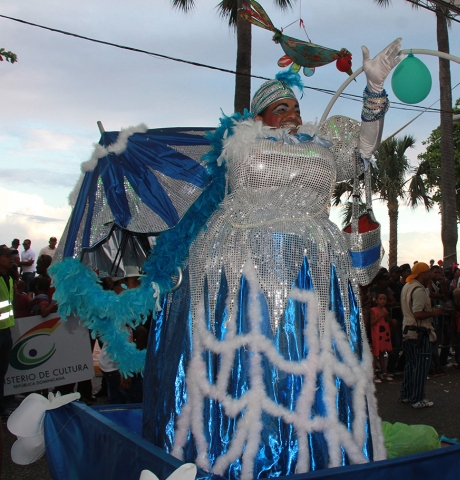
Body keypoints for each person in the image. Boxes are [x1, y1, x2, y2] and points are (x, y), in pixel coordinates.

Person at [136, 40, 403, 476]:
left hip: (314, 266)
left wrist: (374, 90)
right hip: (240, 266)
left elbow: (364, 150)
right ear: (258, 118)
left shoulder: (322, 144)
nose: (292, 113)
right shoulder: (235, 146)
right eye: (281, 108)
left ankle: (315, 455)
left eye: (295, 106)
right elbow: (191, 192)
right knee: (245, 363)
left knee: (313, 362)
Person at [399, 262, 442, 408]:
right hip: (419, 332)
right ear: (422, 274)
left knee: (410, 365)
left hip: (408, 330)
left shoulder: (407, 286)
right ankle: (417, 398)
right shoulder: (419, 290)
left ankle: (406, 394)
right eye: (428, 271)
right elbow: (417, 313)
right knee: (420, 366)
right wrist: (434, 313)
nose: (430, 274)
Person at [0, 245, 15, 417]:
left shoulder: (9, 279)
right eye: (7, 256)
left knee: (2, 371)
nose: (11, 259)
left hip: (6, 330)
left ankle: (1, 406)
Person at [370, 293, 392, 383]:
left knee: (382, 353)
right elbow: (372, 322)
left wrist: (386, 317)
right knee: (375, 354)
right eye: (381, 299)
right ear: (376, 301)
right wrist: (381, 315)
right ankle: (373, 373)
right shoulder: (373, 310)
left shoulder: (384, 309)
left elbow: (387, 321)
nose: (383, 301)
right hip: (377, 333)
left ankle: (384, 372)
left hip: (384, 333)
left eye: (384, 299)